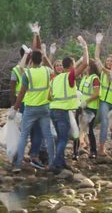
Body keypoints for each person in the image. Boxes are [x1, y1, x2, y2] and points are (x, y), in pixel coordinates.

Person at [10, 25, 56, 173]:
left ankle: (18, 163)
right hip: (44, 108)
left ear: (31, 60)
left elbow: (21, 93)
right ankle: (39, 158)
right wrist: (37, 35)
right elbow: (48, 62)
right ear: (41, 59)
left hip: (30, 108)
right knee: (44, 134)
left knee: (24, 134)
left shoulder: (27, 74)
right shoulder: (47, 71)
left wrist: (15, 108)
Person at [48, 36, 90, 173]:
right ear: (71, 67)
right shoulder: (69, 76)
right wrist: (85, 47)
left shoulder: (56, 78)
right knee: (63, 139)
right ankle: (55, 164)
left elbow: (49, 96)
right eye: (74, 66)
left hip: (53, 110)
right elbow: (85, 64)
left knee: (60, 138)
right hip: (62, 111)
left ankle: (61, 163)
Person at [94, 34, 112, 158]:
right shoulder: (103, 72)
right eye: (108, 61)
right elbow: (96, 58)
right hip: (104, 102)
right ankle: (101, 147)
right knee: (104, 122)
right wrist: (98, 43)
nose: (109, 63)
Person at [75, 58, 102, 159]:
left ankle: (93, 150)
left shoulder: (94, 78)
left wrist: (87, 101)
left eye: (86, 65)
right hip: (81, 106)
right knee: (79, 128)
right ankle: (78, 149)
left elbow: (97, 93)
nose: (84, 67)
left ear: (90, 67)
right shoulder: (84, 78)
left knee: (89, 129)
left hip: (90, 108)